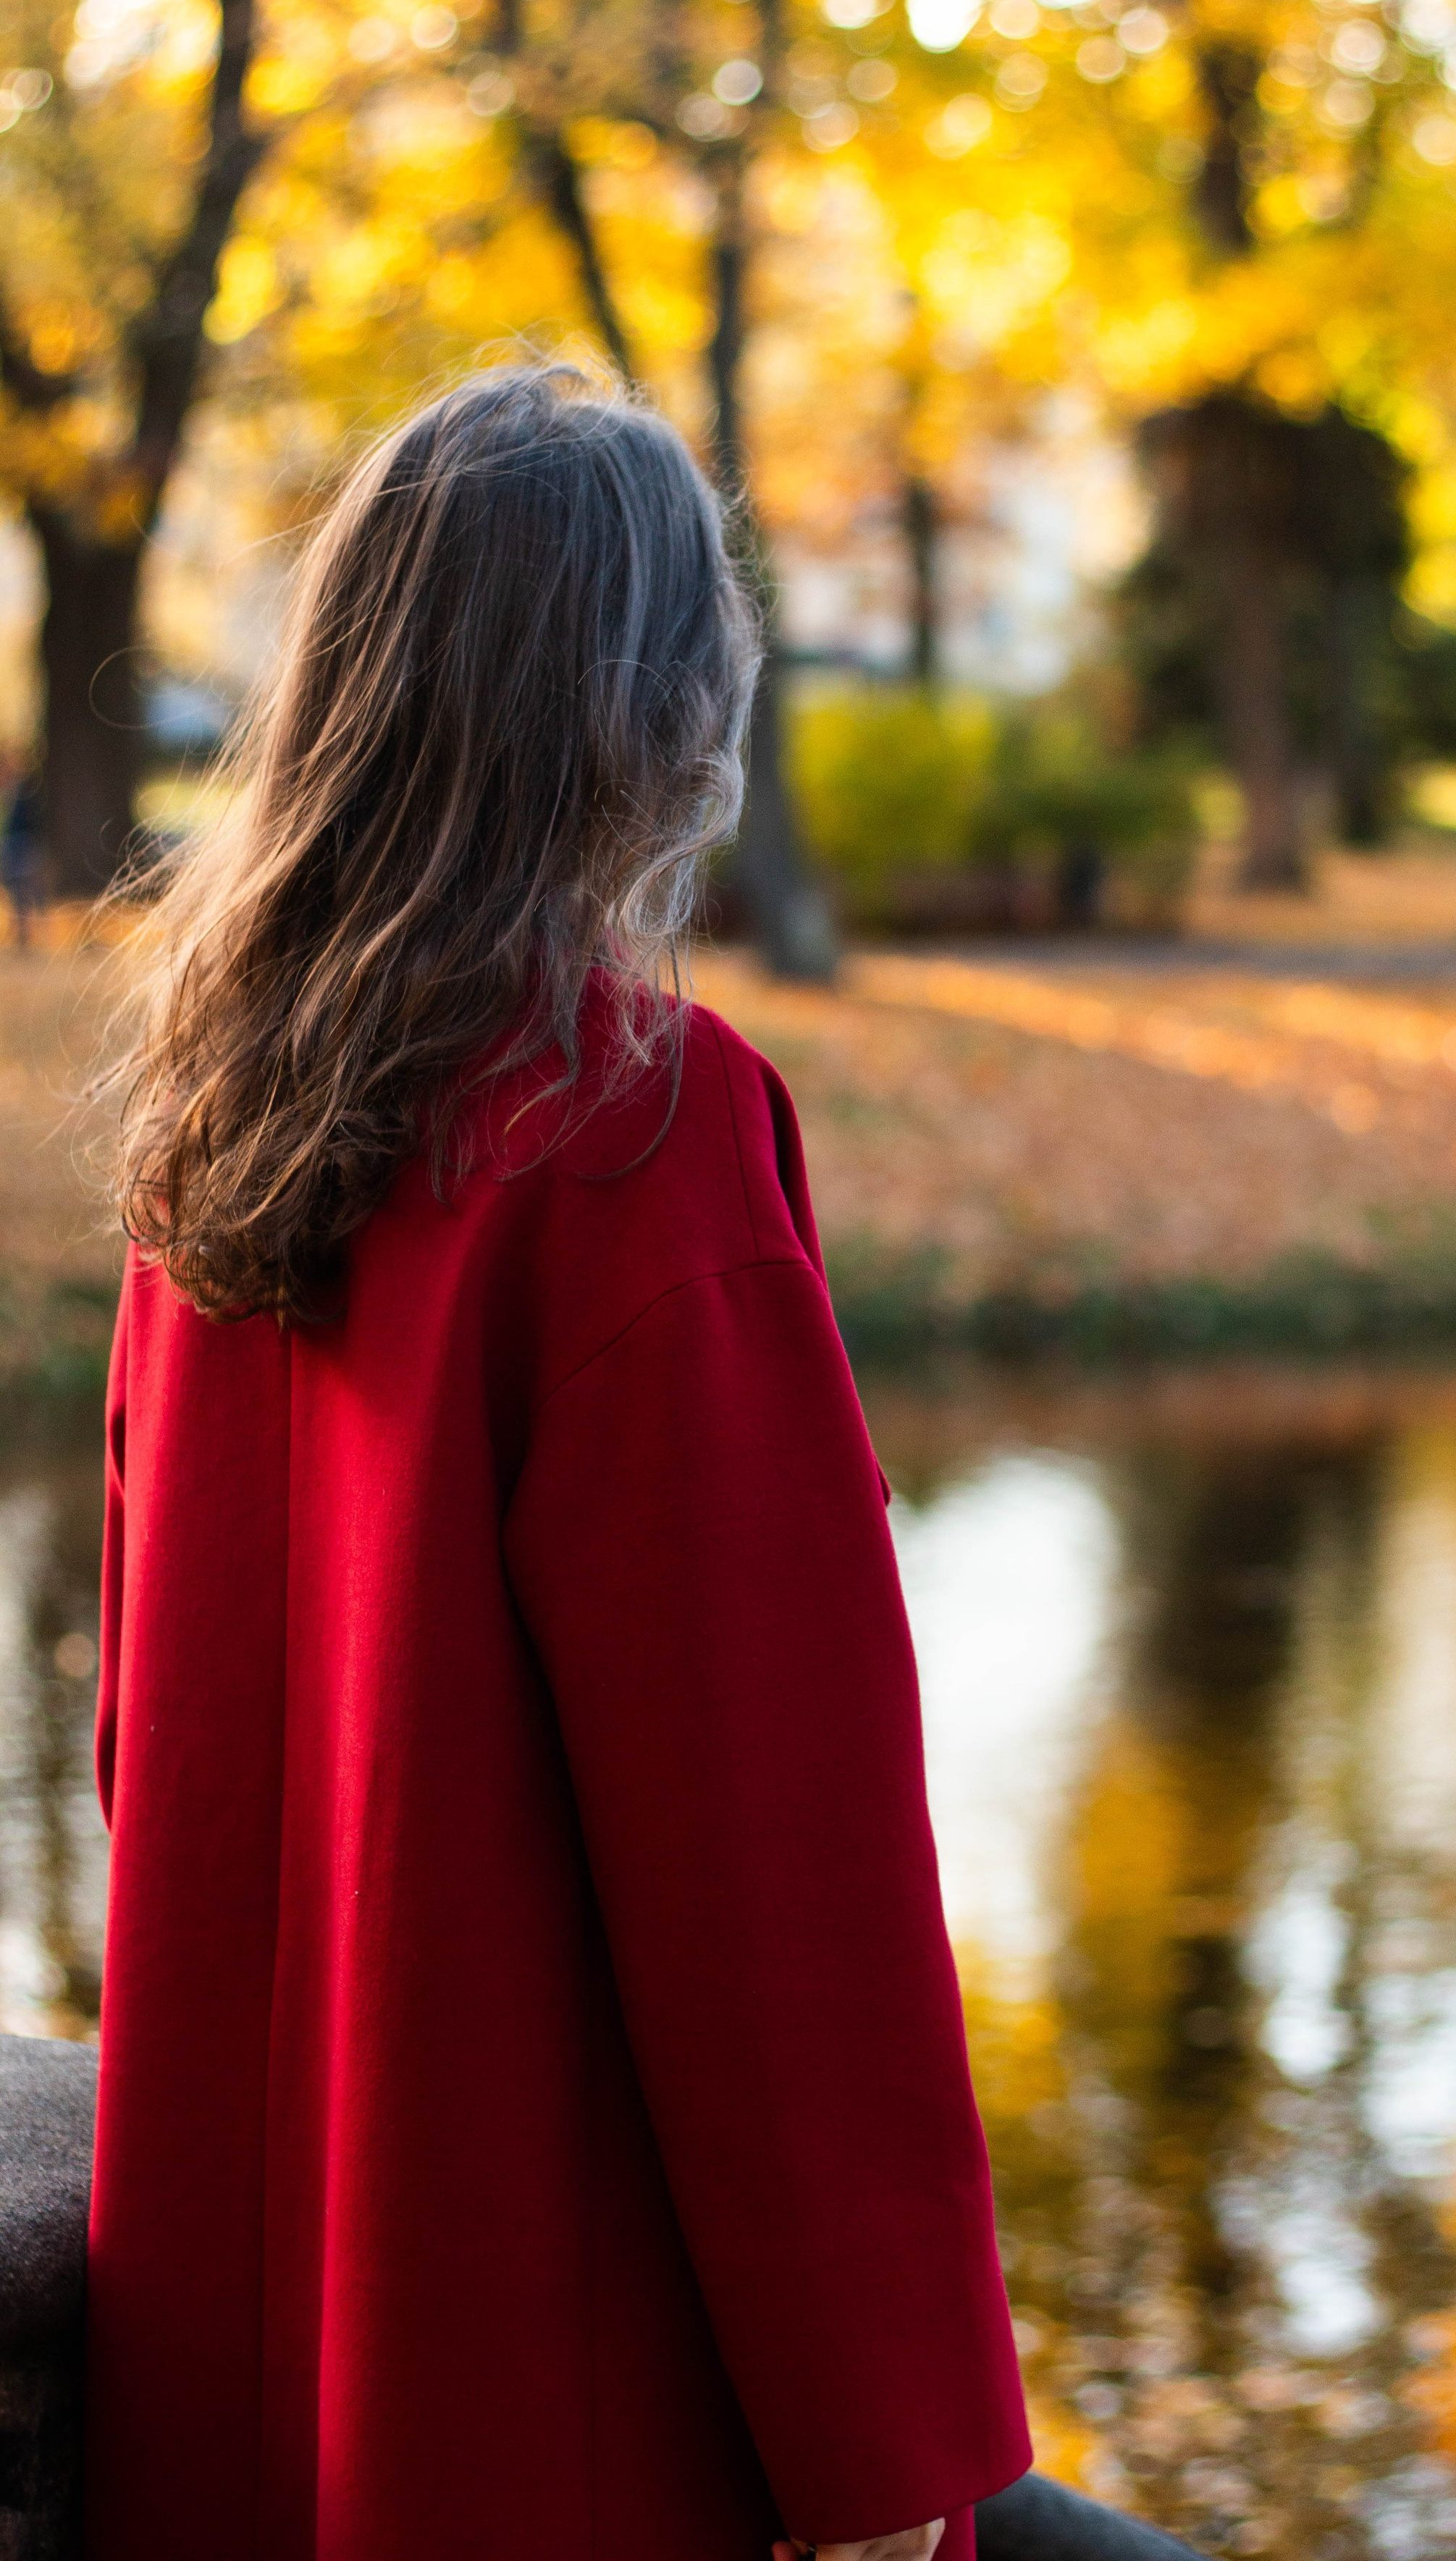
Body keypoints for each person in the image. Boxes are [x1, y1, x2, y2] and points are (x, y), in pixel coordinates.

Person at [87, 366, 1031, 2561]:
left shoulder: (212, 1138)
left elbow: (150, 1757)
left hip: (245, 2321)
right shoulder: (636, 1139)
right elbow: (772, 1852)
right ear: (657, 717)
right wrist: (879, 2441)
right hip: (536, 2360)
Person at [2, 754, 46, 949]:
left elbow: (32, 825)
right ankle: (19, 933)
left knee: (22, 892)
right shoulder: (10, 795)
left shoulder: (26, 795)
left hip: (22, 847)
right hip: (12, 847)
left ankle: (26, 934)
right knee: (15, 892)